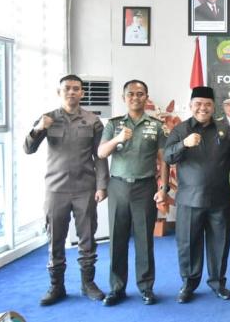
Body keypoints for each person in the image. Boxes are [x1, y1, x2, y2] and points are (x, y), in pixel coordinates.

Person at [23, 74, 108, 306]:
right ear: (59, 92)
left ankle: (88, 284)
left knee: (87, 238)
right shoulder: (48, 118)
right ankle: (56, 286)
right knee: (55, 239)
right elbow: (28, 149)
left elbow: (100, 156)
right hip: (56, 189)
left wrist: (102, 185)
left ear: (82, 93)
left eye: (76, 89)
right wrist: (38, 128)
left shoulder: (92, 120)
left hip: (85, 189)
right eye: (67, 88)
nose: (71, 92)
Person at [164, 86, 230, 303]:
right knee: (188, 244)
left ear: (213, 107)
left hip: (220, 198)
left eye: (207, 104)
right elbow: (168, 157)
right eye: (198, 104)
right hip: (190, 199)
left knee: (220, 244)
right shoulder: (180, 130)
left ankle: (218, 283)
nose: (202, 108)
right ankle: (188, 284)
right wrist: (184, 144)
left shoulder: (224, 130)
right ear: (191, 106)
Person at [98, 80, 169, 306]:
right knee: (117, 239)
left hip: (145, 187)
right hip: (118, 186)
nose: (135, 98)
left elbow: (164, 160)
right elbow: (101, 153)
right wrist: (118, 139)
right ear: (123, 97)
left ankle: (146, 287)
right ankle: (116, 288)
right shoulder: (113, 125)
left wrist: (163, 187)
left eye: (140, 94)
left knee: (144, 240)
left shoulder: (156, 126)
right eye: (131, 94)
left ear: (146, 97)